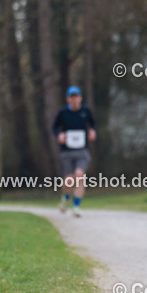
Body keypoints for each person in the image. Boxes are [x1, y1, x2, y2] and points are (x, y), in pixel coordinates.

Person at [52, 86, 97, 217]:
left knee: (80, 176)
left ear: (80, 98)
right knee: (69, 181)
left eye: (76, 97)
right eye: (71, 97)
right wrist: (59, 135)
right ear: (68, 99)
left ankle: (76, 206)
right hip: (67, 151)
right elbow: (55, 127)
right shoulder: (63, 113)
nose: (74, 99)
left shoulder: (86, 111)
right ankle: (65, 197)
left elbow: (93, 124)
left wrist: (93, 131)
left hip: (82, 150)